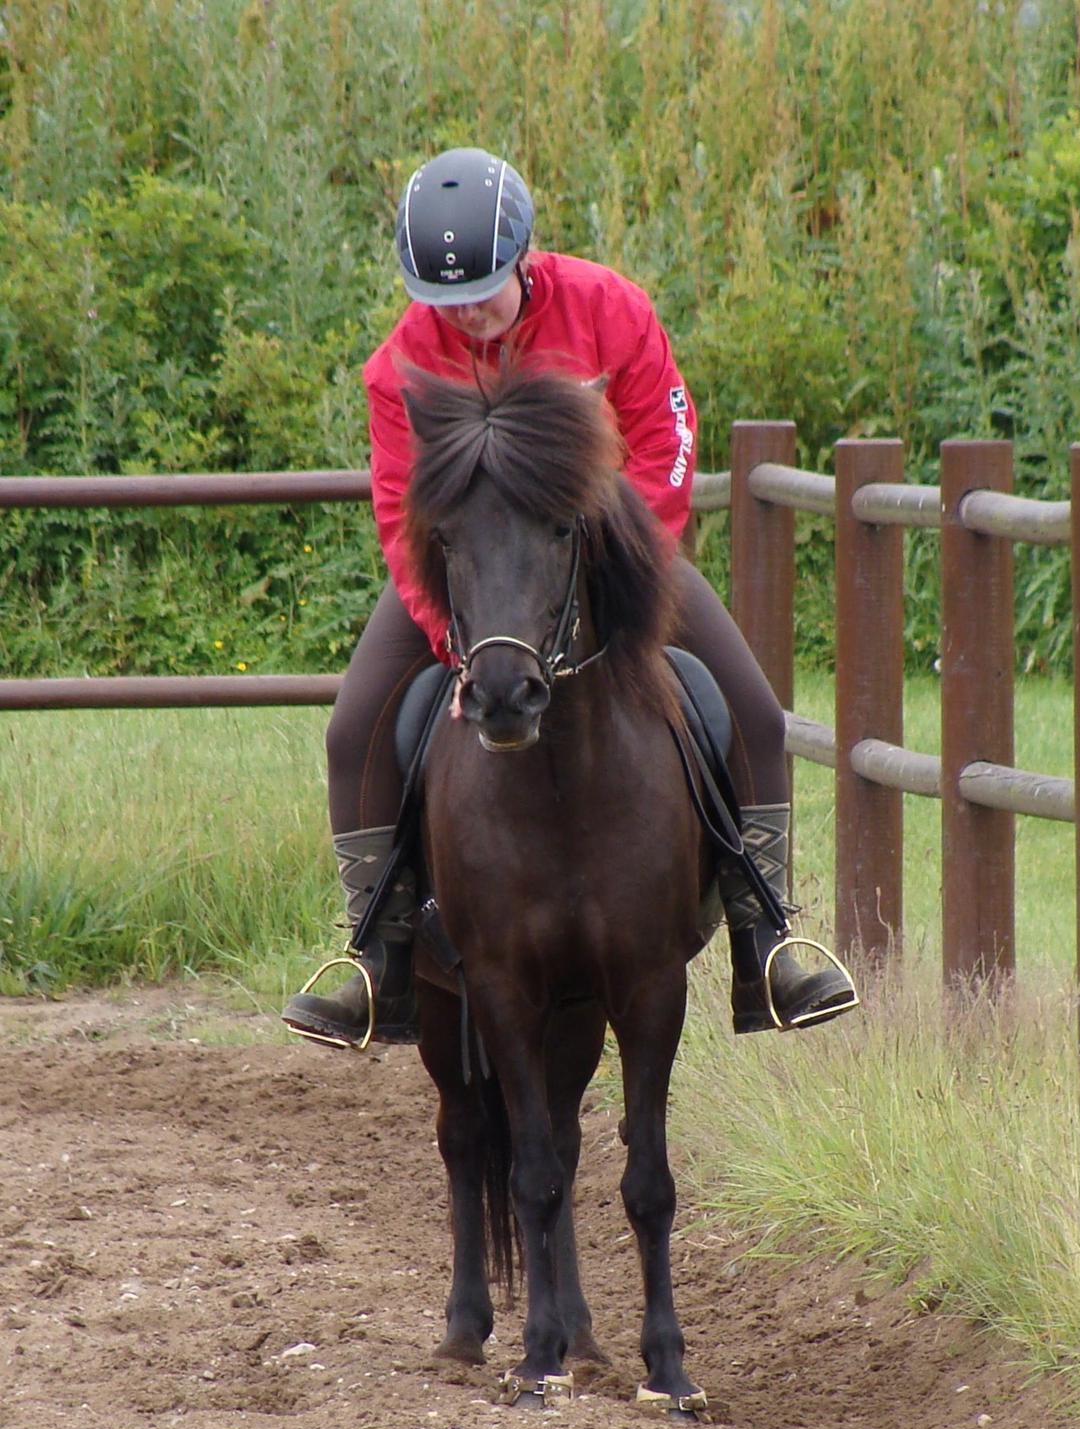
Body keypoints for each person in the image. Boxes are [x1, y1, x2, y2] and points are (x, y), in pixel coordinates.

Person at [281, 146, 856, 1049]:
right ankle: (376, 957)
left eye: (485, 289)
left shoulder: (609, 309)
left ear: (525, 258)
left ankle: (768, 936)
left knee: (754, 710)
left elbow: (669, 438)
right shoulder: (400, 368)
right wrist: (455, 640)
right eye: (445, 299)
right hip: (467, 582)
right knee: (353, 727)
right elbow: (402, 517)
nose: (467, 313)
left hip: (614, 556)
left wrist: (628, 565)